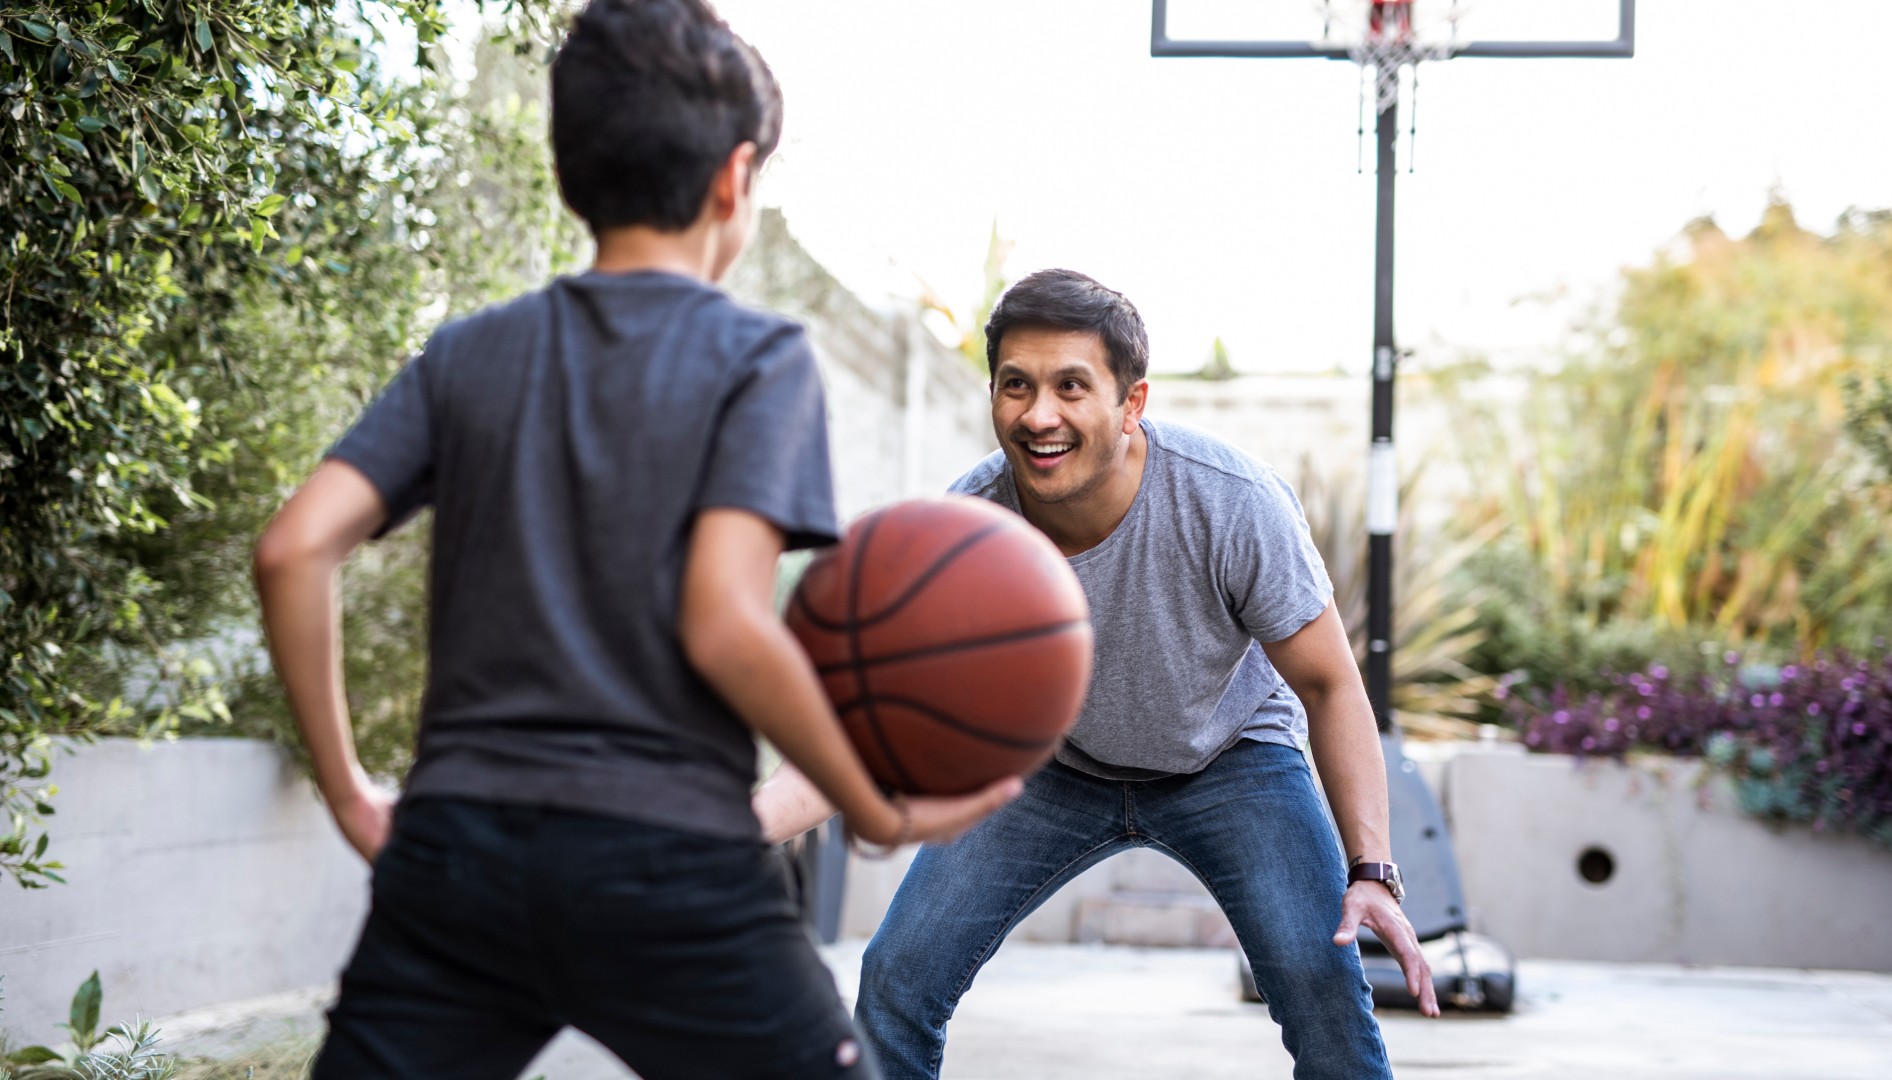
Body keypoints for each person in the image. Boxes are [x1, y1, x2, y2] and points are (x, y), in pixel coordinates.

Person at [251, 2, 1019, 1076]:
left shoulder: (470, 353)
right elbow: (724, 623)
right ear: (733, 181)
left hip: (456, 851)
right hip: (668, 859)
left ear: (571, 173)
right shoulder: (757, 359)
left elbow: (292, 549)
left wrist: (348, 791)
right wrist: (868, 804)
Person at [756, 269, 1438, 1079]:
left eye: (1070, 386)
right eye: (1016, 385)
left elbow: (1330, 685)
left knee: (1321, 982)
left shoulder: (1231, 503)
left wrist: (1373, 872)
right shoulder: (970, 527)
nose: (1038, 415)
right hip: (1050, 765)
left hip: (1231, 757)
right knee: (898, 978)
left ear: (1132, 401)